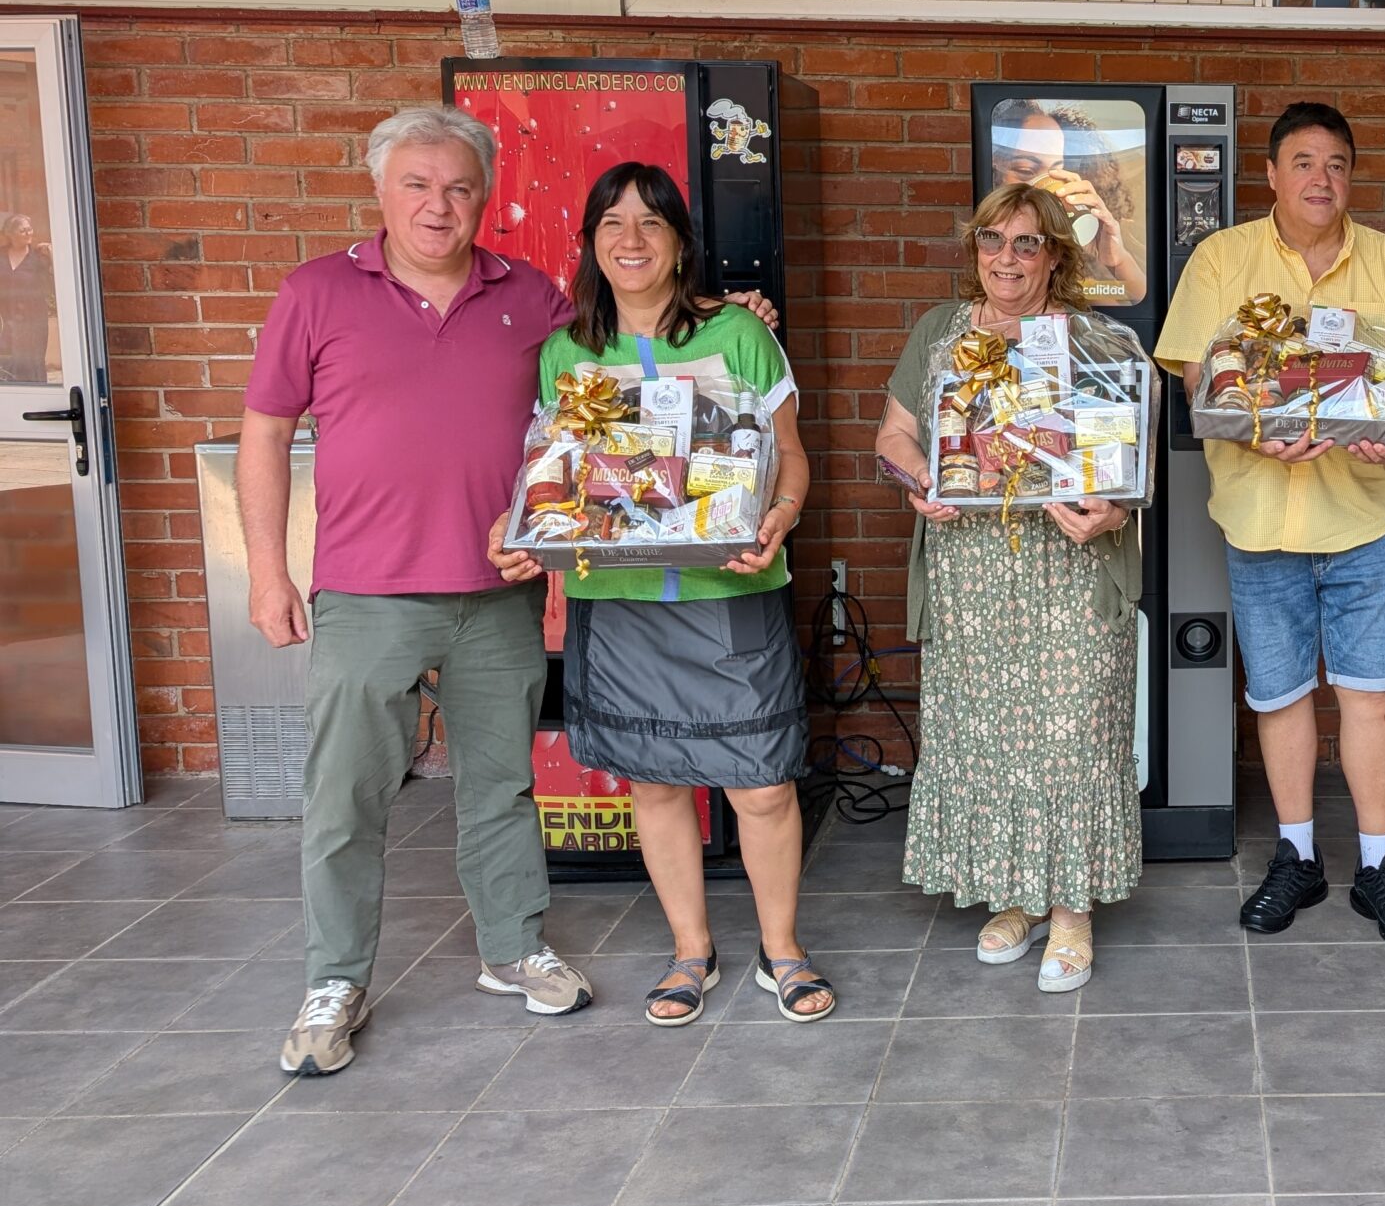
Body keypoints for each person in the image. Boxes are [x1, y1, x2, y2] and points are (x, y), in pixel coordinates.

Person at [242, 105, 776, 1077]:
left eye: (458, 187)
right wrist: (269, 569)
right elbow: (267, 433)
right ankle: (334, 978)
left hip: (501, 586)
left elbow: (629, 345)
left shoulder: (529, 299)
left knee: (499, 785)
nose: (437, 205)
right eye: (416, 184)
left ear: (484, 196)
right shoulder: (316, 292)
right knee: (346, 795)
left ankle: (512, 946)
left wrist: (735, 316)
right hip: (366, 589)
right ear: (380, 189)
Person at [489, 163, 828, 1025]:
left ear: (680, 243)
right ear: (590, 244)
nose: (630, 240)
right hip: (623, 598)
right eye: (612, 223)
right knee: (656, 782)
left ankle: (782, 952)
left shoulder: (738, 333)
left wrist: (782, 514)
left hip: (729, 589)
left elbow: (791, 454)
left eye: (650, 223)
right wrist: (526, 525)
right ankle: (690, 951)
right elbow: (556, 472)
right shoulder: (568, 352)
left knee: (762, 784)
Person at [1156, 102, 1385, 946]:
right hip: (1260, 519)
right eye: (1303, 162)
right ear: (1271, 175)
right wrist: (1252, 426)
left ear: (1351, 177)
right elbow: (1195, 374)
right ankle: (1296, 856)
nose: (1321, 179)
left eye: (1336, 164)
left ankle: (1379, 865)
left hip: (1362, 519)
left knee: (1369, 697)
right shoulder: (1223, 257)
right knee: (1281, 696)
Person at [874, 184, 1139, 993]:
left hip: (1071, 568)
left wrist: (1114, 509)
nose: (1007, 258)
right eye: (993, 240)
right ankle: (1019, 896)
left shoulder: (1096, 340)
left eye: (1027, 243)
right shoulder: (939, 332)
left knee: (1074, 736)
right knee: (987, 739)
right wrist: (919, 480)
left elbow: (1128, 460)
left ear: (1056, 255)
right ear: (975, 249)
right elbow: (895, 436)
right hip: (971, 572)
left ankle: (1071, 910)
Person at [990, 97, 1146, 304]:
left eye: (1057, 170)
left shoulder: (1080, 246)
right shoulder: (990, 244)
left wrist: (1116, 260)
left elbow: (1156, 310)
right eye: (1026, 170)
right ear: (995, 174)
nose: (1046, 186)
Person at [0, 209, 54, 383]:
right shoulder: (1, 255)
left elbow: (59, 278)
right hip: (8, 319)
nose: (28, 233)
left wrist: (52, 252)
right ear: (10, 234)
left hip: (34, 320)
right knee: (9, 363)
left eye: (29, 229)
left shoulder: (38, 257)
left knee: (33, 362)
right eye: (23, 230)